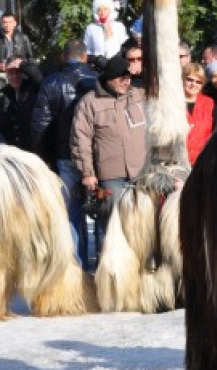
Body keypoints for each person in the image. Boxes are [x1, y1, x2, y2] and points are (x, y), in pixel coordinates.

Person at [30, 40, 98, 267]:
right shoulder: (98, 81)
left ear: (62, 56)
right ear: (85, 57)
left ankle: (77, 267)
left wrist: (44, 159)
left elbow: (40, 126)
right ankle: (102, 267)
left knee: (71, 214)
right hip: (97, 158)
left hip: (64, 156)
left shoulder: (51, 83)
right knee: (104, 213)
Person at [70, 55, 147, 244]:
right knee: (113, 225)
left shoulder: (139, 95)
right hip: (111, 176)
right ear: (109, 78)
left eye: (128, 77)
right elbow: (81, 140)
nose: (126, 81)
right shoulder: (89, 102)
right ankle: (109, 267)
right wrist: (87, 173)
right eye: (121, 78)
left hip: (141, 172)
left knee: (142, 223)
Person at [0, 58, 41, 150]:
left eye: (18, 72)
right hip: (12, 150)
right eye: (10, 72)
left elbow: (40, 78)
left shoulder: (33, 89)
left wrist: (23, 64)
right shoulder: (4, 94)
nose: (14, 76)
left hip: (33, 149)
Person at [182, 63, 215, 165]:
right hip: (178, 162)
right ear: (183, 79)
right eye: (190, 80)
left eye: (198, 82)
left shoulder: (209, 103)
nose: (193, 84)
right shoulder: (173, 103)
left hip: (203, 162)